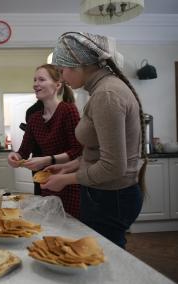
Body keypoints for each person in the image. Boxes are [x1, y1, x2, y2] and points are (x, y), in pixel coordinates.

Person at [42, 32, 146, 248]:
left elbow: (113, 167)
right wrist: (69, 167)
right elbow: (99, 152)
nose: (61, 78)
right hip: (107, 195)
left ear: (79, 65)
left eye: (62, 71)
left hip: (110, 197)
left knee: (104, 262)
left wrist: (66, 180)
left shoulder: (107, 95)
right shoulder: (103, 89)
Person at [8, 64, 82, 218]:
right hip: (46, 182)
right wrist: (15, 157)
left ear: (57, 85)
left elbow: (77, 150)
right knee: (50, 226)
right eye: (35, 80)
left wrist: (48, 160)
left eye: (41, 79)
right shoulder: (35, 118)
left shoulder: (68, 110)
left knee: (70, 229)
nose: (36, 84)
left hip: (69, 182)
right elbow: (23, 151)